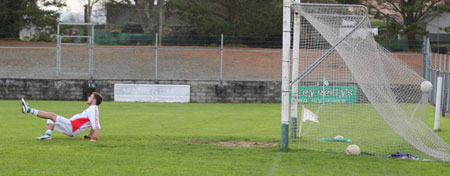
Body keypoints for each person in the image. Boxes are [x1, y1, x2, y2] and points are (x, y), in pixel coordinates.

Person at [21, 92, 103, 141]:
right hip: (71, 126)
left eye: (90, 96)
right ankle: (47, 135)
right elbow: (92, 125)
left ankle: (28, 109)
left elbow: (96, 126)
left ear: (94, 100)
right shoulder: (91, 109)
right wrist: (88, 137)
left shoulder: (93, 109)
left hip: (72, 127)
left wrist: (94, 139)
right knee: (51, 118)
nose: (88, 97)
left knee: (51, 115)